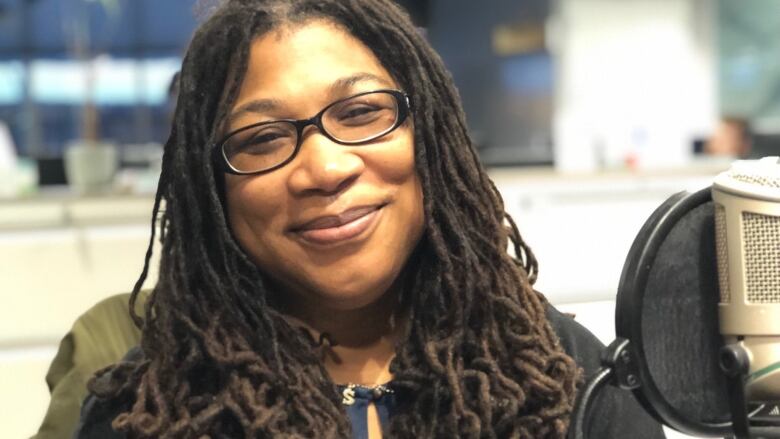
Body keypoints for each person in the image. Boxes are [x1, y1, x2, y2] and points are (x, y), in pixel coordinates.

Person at [75, 0, 666, 437]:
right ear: (210, 190)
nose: (325, 168)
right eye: (261, 138)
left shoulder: (565, 374)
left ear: (431, 136)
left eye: (360, 112)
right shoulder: (151, 412)